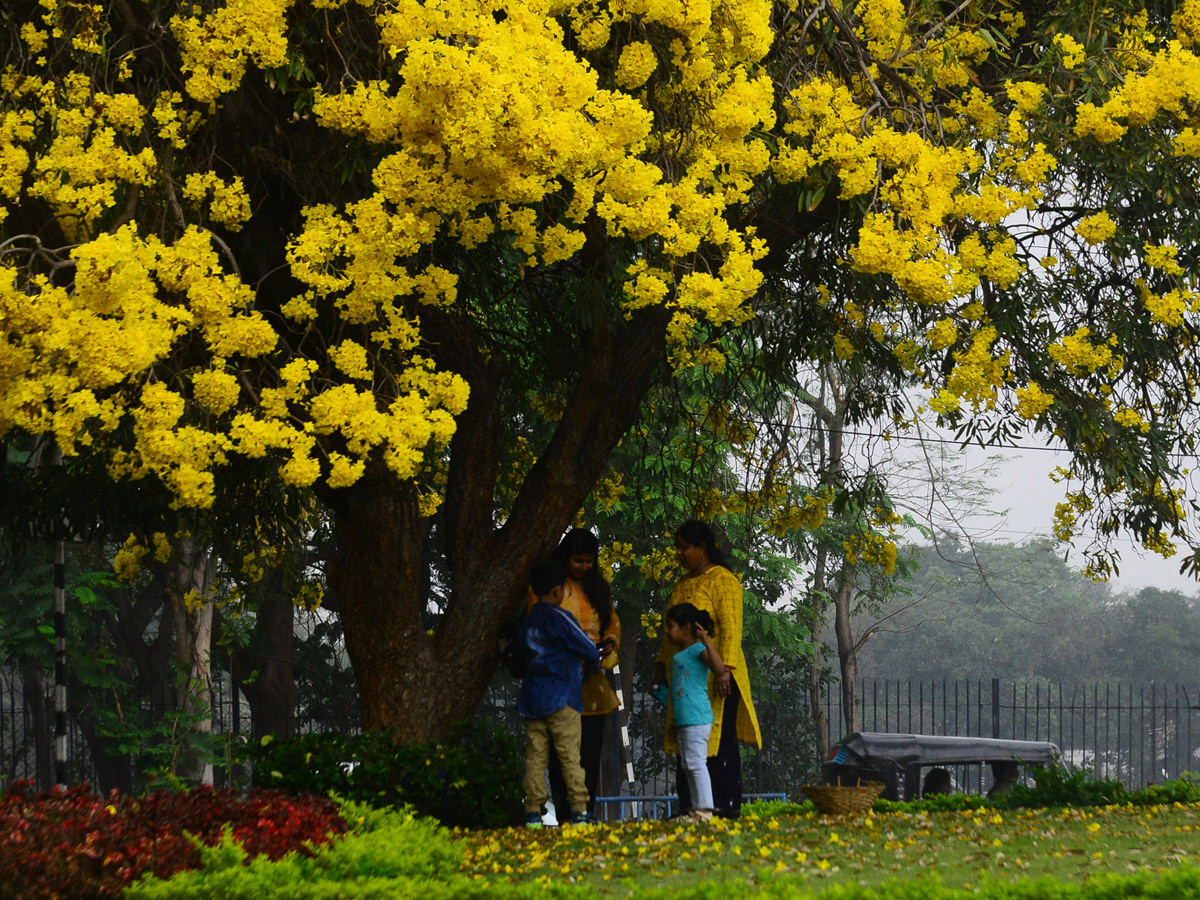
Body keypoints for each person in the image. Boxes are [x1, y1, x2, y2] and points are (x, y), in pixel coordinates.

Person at [653, 520, 761, 819]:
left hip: (717, 680)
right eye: (677, 547)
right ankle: (690, 808)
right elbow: (669, 633)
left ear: (702, 549)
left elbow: (731, 628)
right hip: (686, 683)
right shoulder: (682, 584)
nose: (678, 553)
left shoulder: (723, 580)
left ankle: (724, 809)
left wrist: (724, 670)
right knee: (688, 743)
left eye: (684, 547)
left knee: (718, 744)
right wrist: (660, 668)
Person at [526, 528, 622, 819]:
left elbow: (613, 622)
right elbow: (537, 627)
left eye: (589, 561)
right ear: (564, 558)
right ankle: (569, 814)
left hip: (592, 681)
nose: (584, 566)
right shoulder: (548, 588)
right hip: (559, 679)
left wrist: (610, 641)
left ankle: (586, 812)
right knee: (560, 752)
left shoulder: (599, 588)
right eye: (577, 560)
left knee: (589, 751)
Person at [518, 559, 600, 828]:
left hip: (532, 699)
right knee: (569, 756)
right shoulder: (561, 617)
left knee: (536, 757)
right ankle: (579, 811)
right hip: (563, 698)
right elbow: (587, 648)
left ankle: (532, 811)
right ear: (558, 590)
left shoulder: (529, 623)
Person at [658, 603, 726, 822]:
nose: (667, 631)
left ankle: (706, 809)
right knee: (688, 765)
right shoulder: (680, 655)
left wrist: (706, 642)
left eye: (671, 626)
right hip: (686, 720)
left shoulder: (697, 649)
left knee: (696, 764)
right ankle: (699, 809)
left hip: (697, 717)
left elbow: (719, 668)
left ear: (686, 628)